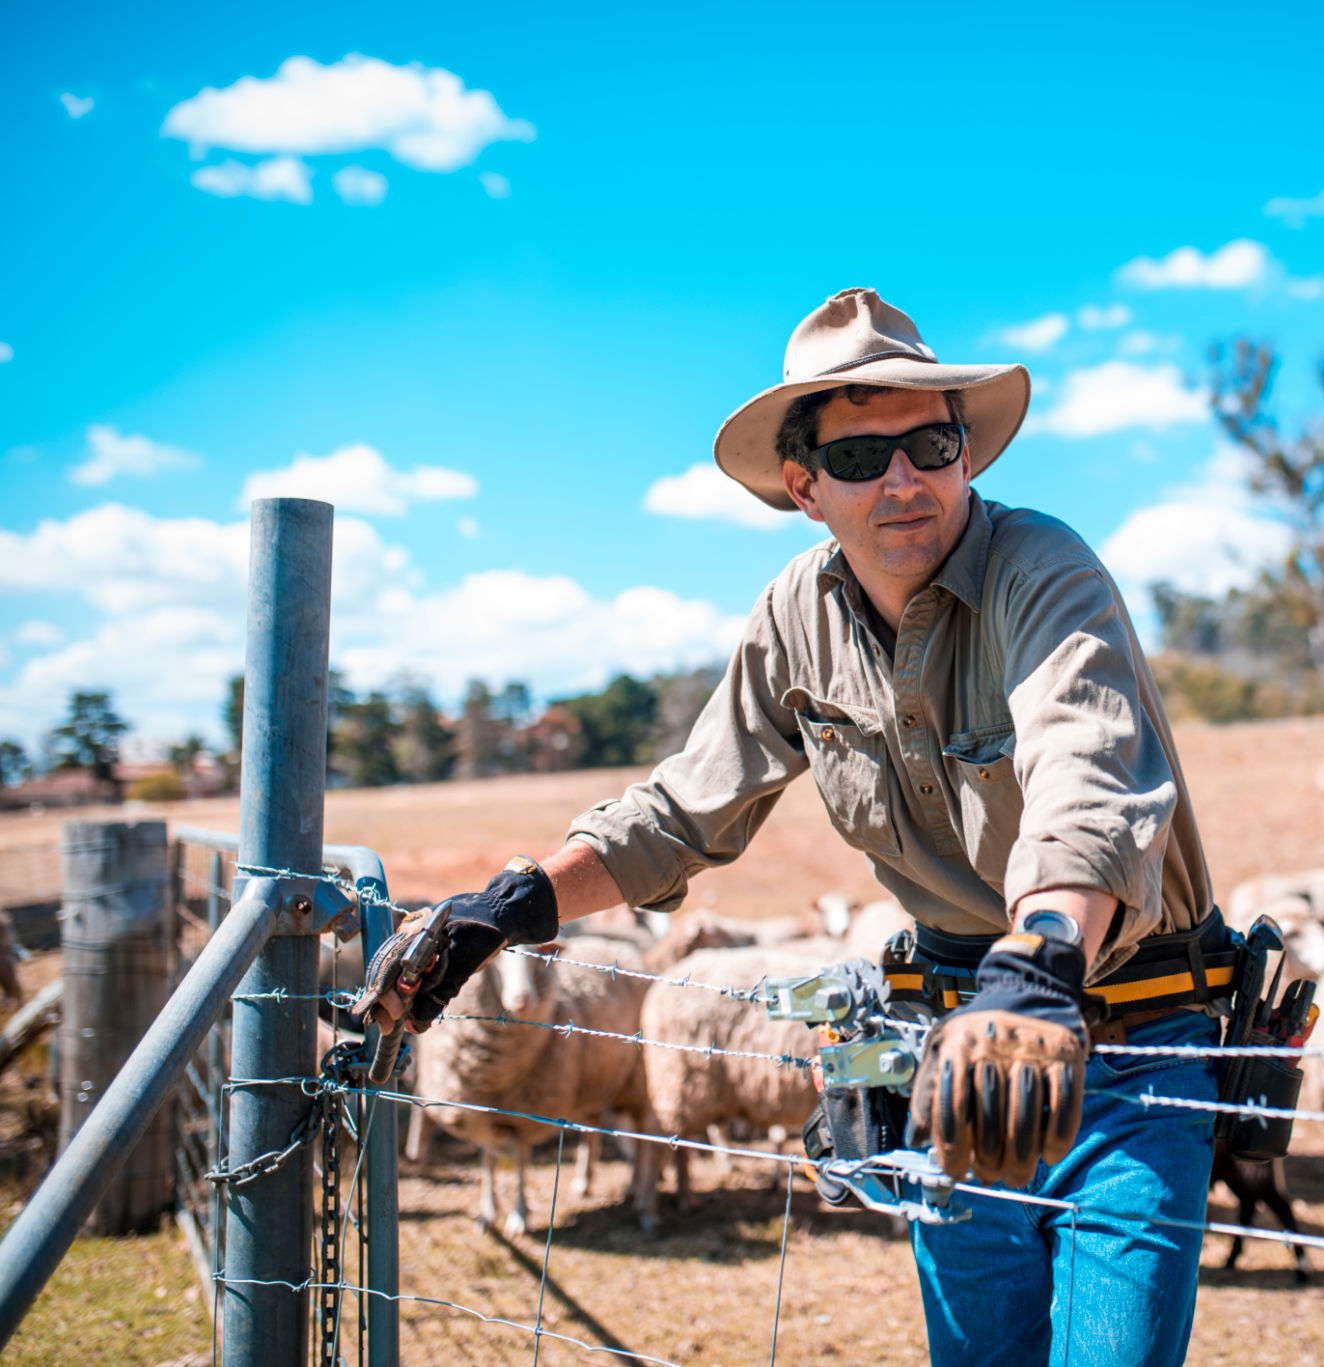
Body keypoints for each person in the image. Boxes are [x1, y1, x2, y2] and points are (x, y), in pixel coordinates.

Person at [365, 288, 1233, 1367]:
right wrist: (506, 908)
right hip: (945, 1048)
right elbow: (681, 810)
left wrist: (1041, 957)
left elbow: (1085, 772)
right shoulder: (793, 617)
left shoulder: (1043, 568)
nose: (904, 478)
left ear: (967, 453)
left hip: (1122, 1035)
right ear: (803, 486)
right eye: (862, 458)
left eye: (929, 442)